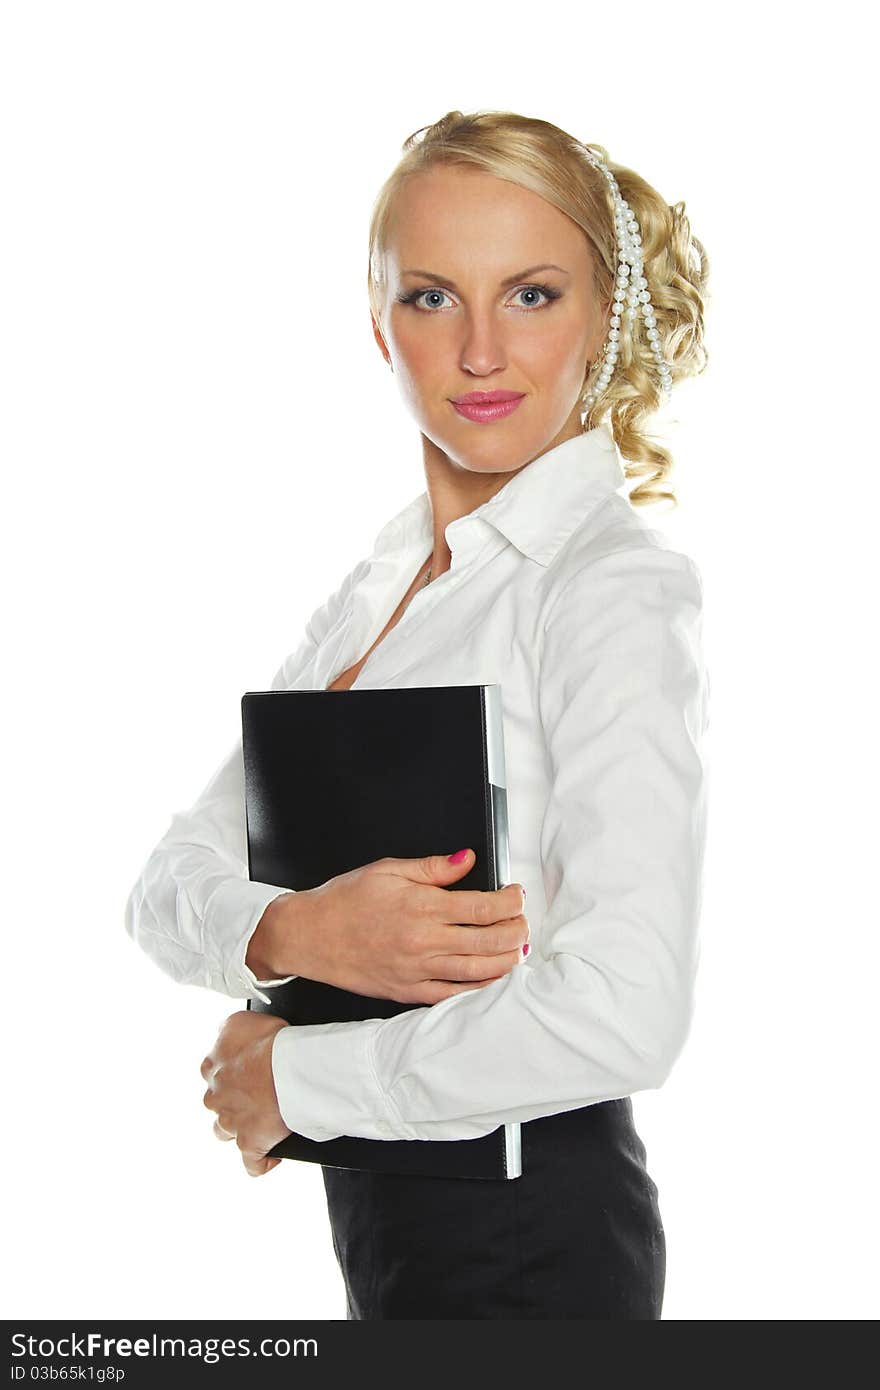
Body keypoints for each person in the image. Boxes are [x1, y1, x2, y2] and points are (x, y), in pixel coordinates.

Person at [125, 108, 711, 1320]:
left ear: (605, 315)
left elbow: (625, 1007)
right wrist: (296, 933)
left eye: (534, 295)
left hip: (530, 1240)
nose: (482, 351)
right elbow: (163, 884)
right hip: (386, 1236)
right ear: (377, 322)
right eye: (434, 298)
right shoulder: (382, 587)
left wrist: (296, 1072)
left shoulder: (607, 587)